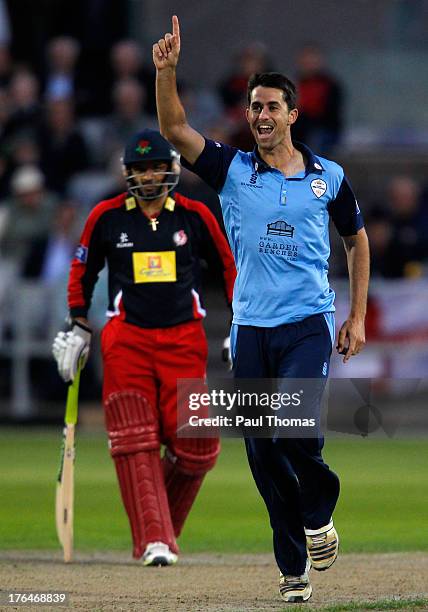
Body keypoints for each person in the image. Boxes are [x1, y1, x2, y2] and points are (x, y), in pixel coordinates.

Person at [153, 16, 369, 603]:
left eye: (273, 105)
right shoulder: (233, 170)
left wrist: (356, 315)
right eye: (254, 106)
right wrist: (166, 70)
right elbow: (173, 128)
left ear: (293, 114)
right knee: (261, 450)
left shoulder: (329, 178)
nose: (262, 114)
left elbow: (356, 240)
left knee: (293, 427)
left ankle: (320, 510)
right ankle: (293, 567)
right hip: (251, 327)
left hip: (306, 324)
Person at [52, 128, 236, 566]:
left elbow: (230, 269)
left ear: (172, 168)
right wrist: (78, 325)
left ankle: (160, 530)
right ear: (127, 173)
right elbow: (83, 271)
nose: (149, 175)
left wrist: (240, 324)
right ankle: (155, 540)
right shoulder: (107, 215)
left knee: (199, 445)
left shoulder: (195, 215)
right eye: (139, 168)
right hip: (127, 339)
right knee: (136, 437)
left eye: (155, 166)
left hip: (184, 340)